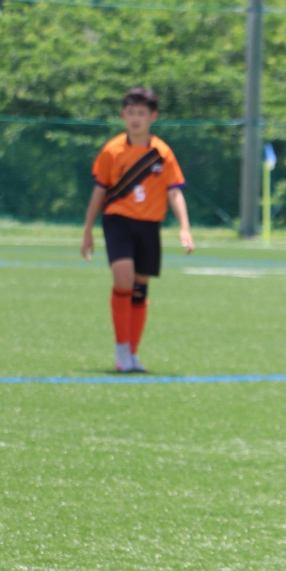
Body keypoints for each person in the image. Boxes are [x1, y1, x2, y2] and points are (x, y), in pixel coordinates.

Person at [80, 86, 194, 372]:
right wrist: (87, 230)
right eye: (131, 112)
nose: (135, 118)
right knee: (124, 280)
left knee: (140, 287)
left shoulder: (162, 153)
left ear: (153, 116)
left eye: (141, 113)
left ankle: (132, 353)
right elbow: (99, 191)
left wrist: (184, 228)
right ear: (123, 115)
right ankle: (121, 351)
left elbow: (174, 191)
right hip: (118, 221)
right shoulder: (112, 150)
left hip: (149, 225)